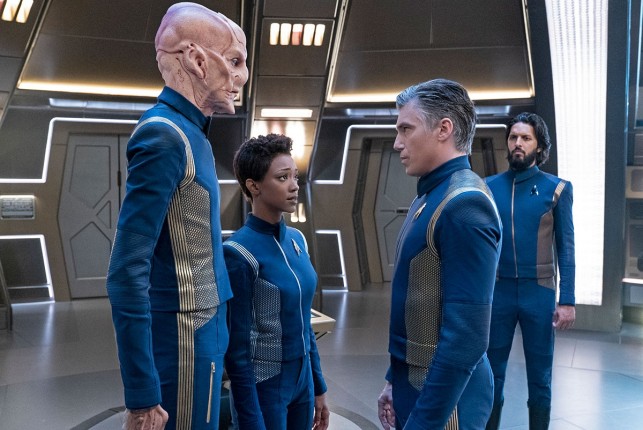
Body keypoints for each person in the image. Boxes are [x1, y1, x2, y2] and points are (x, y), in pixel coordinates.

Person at [105, 3, 248, 429]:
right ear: (196, 60)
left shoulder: (192, 134)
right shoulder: (164, 135)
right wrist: (142, 393)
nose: (242, 76)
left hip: (203, 331)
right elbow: (126, 270)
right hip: (181, 339)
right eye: (234, 61)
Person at [377, 79, 502, 429]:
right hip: (417, 385)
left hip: (449, 404)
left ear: (443, 129)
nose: (397, 142)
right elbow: (417, 309)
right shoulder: (431, 195)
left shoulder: (465, 204)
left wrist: (424, 422)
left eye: (406, 129)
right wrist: (393, 379)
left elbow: (467, 338)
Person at [223, 134, 330, 430]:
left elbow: (305, 324)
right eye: (283, 178)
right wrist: (249, 417)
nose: (294, 186)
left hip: (302, 382)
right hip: (264, 384)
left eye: (295, 176)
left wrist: (318, 386)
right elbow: (236, 350)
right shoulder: (238, 253)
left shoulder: (297, 240)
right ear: (253, 186)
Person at [484, 112, 575, 430]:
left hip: (539, 293)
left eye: (526, 138)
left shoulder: (557, 189)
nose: (518, 143)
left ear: (540, 146)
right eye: (513, 137)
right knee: (491, 375)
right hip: (498, 293)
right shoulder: (488, 187)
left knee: (540, 377)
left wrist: (567, 300)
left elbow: (566, 247)